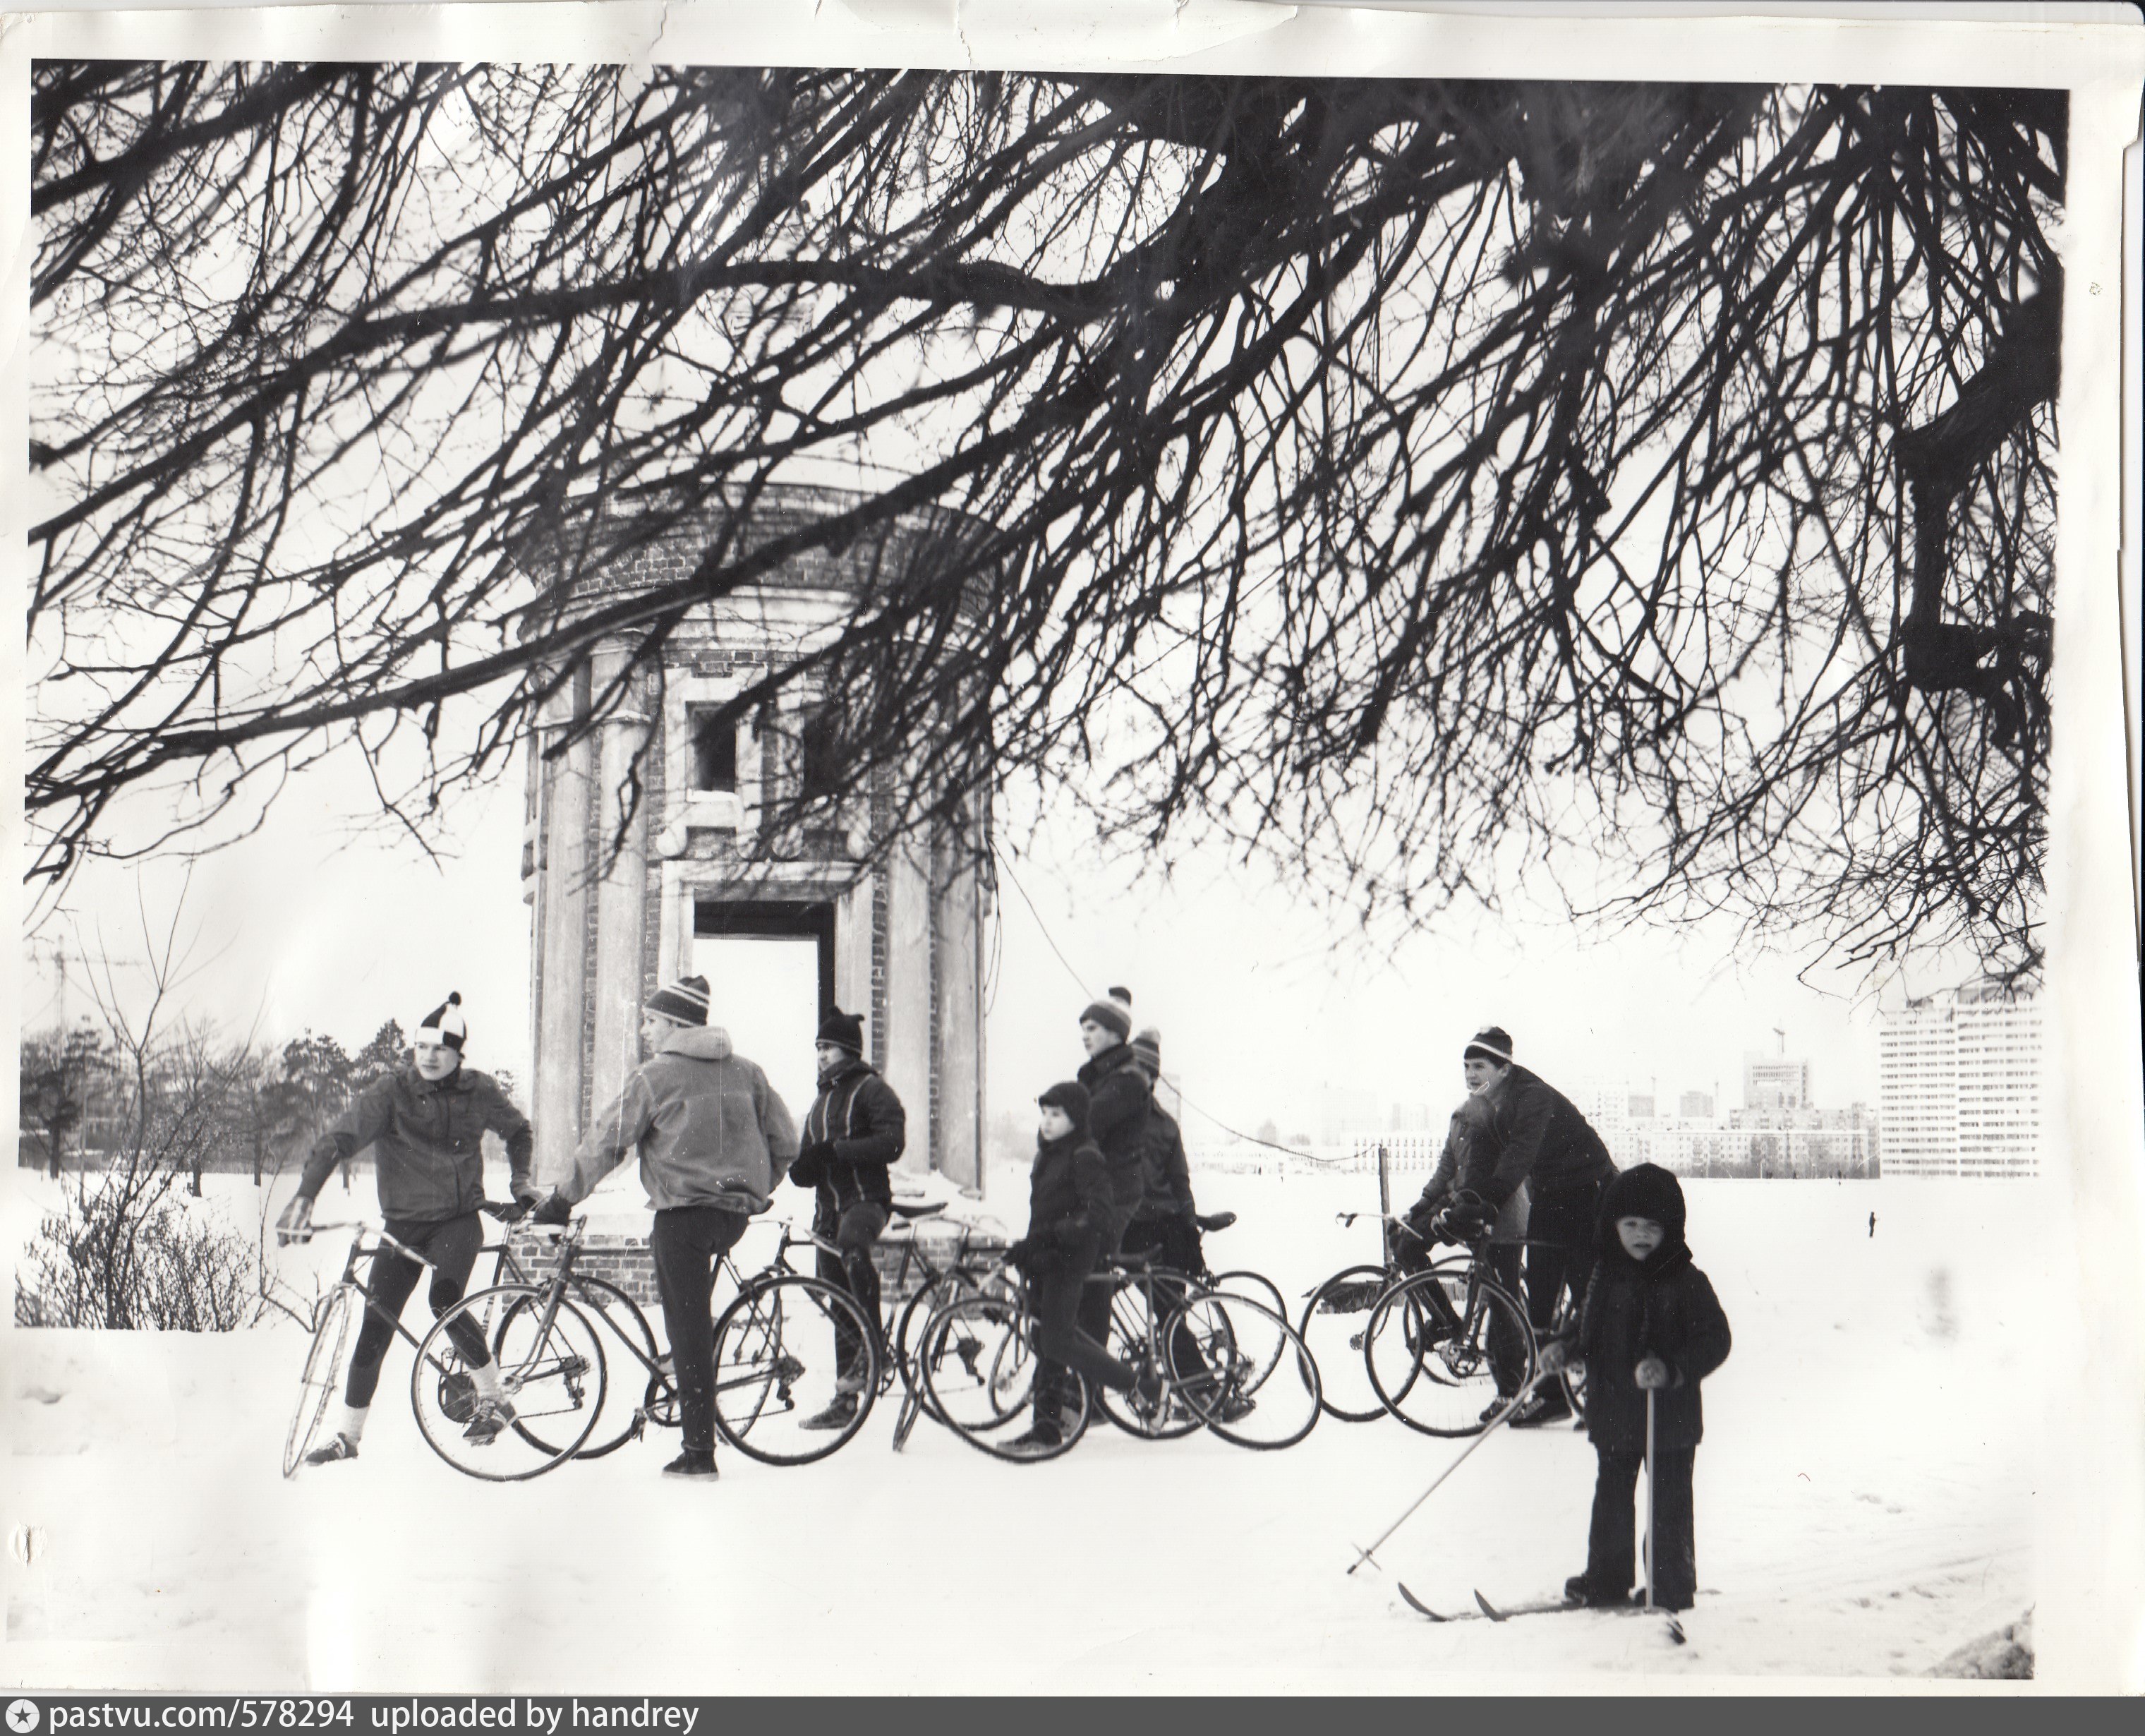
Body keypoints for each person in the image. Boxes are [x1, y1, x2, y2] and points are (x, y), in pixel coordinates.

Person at [528, 974, 798, 1481]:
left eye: (651, 1020)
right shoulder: (749, 1072)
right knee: (691, 1321)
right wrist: (754, 1190)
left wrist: (562, 1200)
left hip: (683, 1220)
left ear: (675, 1023)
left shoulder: (656, 1076)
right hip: (733, 1218)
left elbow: (607, 1142)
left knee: (688, 1329)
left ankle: (700, 1452)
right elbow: (785, 1142)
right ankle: (691, 1393)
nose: (645, 1030)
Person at [274, 991, 538, 1464]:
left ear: (459, 1054)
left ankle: (495, 1399)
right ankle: (347, 1438)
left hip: (457, 1221)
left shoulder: (478, 1091)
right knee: (374, 1328)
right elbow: (339, 1139)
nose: (430, 1056)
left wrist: (520, 1180)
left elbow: (519, 1130)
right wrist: (305, 1196)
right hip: (402, 1225)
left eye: (441, 1048)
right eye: (422, 1047)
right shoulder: (390, 1092)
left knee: (445, 1300)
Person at [1403, 1025, 1617, 1425]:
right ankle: (1552, 1396)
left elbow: (1518, 1157)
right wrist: (1465, 1200)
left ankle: (1607, 1395)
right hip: (1551, 1195)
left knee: (1586, 1291)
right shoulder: (1488, 1106)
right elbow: (1479, 1161)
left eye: (1479, 1065)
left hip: (1589, 1190)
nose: (1470, 1074)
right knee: (1539, 1293)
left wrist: (1488, 1203)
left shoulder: (1531, 1097)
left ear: (1504, 1068)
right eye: (1466, 1066)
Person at [1541, 1163, 1731, 1613]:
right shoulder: (1605, 1276)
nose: (1641, 1234)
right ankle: (1606, 1578)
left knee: (1667, 1503)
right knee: (1611, 1497)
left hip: (1669, 1418)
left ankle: (1670, 1585)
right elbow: (1586, 1333)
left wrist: (1671, 1368)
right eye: (1630, 1224)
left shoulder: (1687, 1280)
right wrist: (1563, 1348)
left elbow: (1715, 1340)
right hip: (1612, 1412)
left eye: (1652, 1225)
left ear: (1671, 1228)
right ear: (1613, 1226)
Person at [999, 1082, 1154, 1455]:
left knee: (1057, 1340)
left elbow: (1099, 1213)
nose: (1048, 1122)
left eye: (1057, 1115)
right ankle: (1046, 1428)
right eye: (1045, 1114)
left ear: (1076, 1118)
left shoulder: (1085, 1154)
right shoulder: (1049, 1155)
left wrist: (1053, 1237)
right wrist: (1030, 1246)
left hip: (1069, 1260)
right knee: (1044, 1340)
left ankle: (1141, 1387)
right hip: (1045, 1258)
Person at [787, 1006, 906, 1431]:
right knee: (837, 1301)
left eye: (829, 1048)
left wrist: (839, 1151)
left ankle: (875, 1346)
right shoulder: (820, 1102)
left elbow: (893, 1142)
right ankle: (845, 1397)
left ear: (849, 1051)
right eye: (818, 1048)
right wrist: (803, 1169)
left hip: (866, 1201)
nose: (821, 1055)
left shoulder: (872, 1089)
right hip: (828, 1211)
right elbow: (808, 1157)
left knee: (855, 1247)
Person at [1073, 988, 1149, 1356]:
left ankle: (1093, 1385)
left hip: (1116, 1193)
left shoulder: (1127, 1080)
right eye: (1083, 1029)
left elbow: (1084, 1123)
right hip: (1096, 1191)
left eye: (1093, 1028)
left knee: (1092, 1279)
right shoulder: (1096, 1076)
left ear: (1115, 1033)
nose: (1085, 1035)